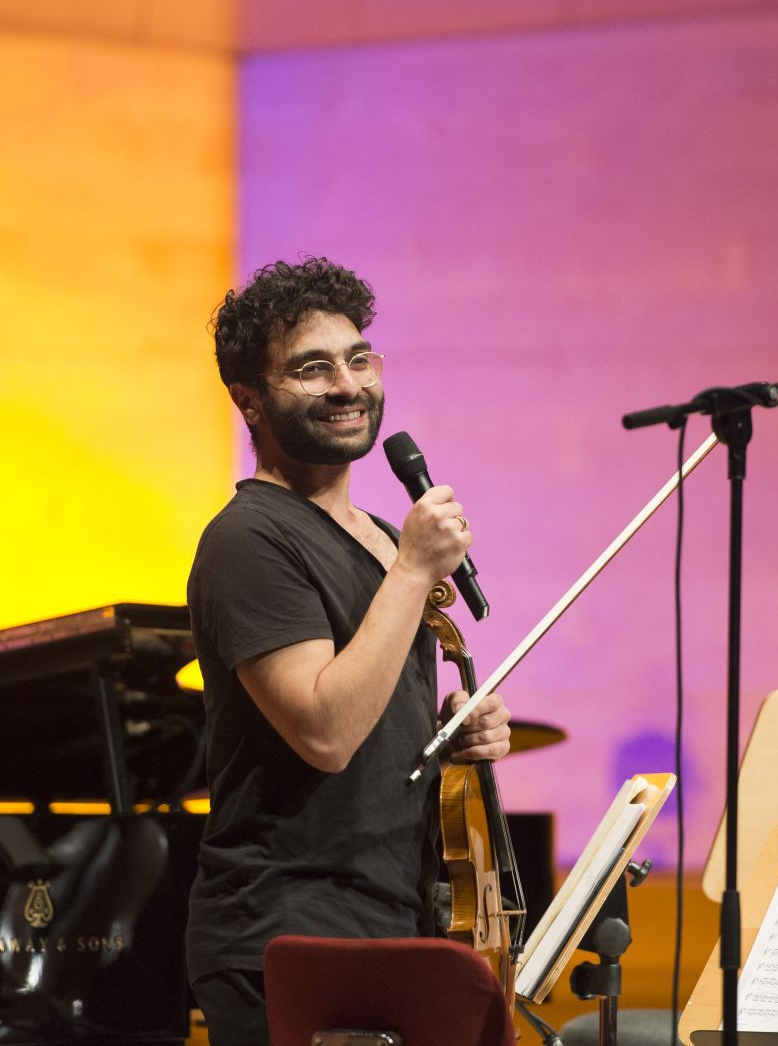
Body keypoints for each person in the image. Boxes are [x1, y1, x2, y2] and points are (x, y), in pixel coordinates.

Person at [184, 256, 512, 1046]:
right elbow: (325, 733)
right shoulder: (249, 540)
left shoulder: (381, 539)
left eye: (359, 359)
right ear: (249, 399)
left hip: (386, 918)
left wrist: (451, 735)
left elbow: (368, 716)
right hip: (290, 932)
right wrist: (413, 571)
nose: (347, 385)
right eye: (313, 369)